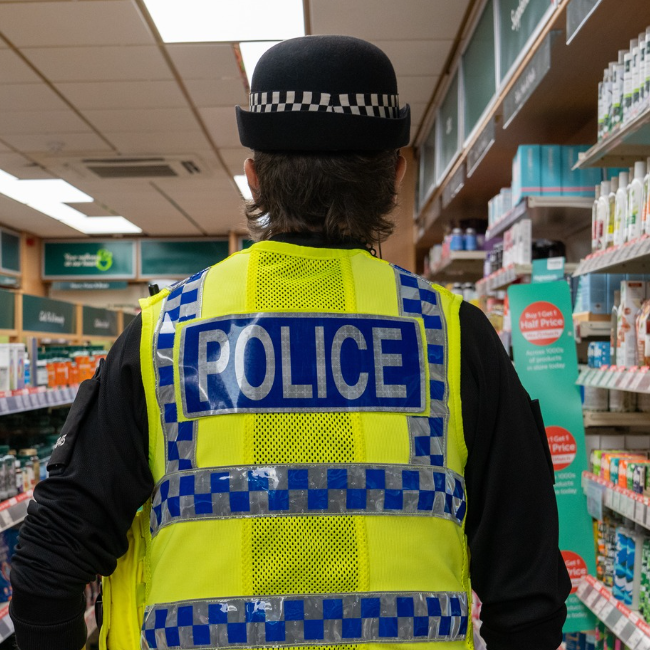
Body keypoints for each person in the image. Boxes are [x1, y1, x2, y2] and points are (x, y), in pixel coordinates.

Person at [9, 36, 570, 650]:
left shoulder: (164, 333)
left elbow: (47, 564)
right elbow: (528, 595)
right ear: (396, 174)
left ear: (253, 179)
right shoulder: (454, 336)